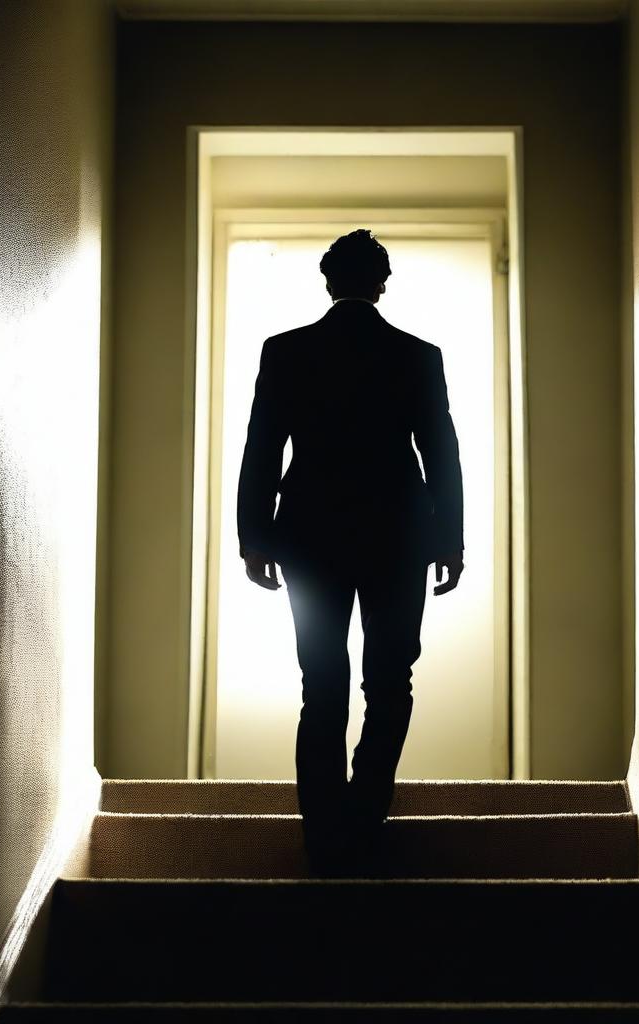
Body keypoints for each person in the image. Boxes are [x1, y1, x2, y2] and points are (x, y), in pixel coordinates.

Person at [236, 229, 464, 876]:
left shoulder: (286, 352)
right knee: (391, 683)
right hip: (397, 537)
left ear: (328, 282)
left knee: (322, 686)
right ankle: (364, 818)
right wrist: (449, 539)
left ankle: (322, 833)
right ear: (381, 284)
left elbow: (263, 448)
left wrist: (255, 536)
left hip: (310, 536)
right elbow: (440, 453)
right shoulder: (417, 356)